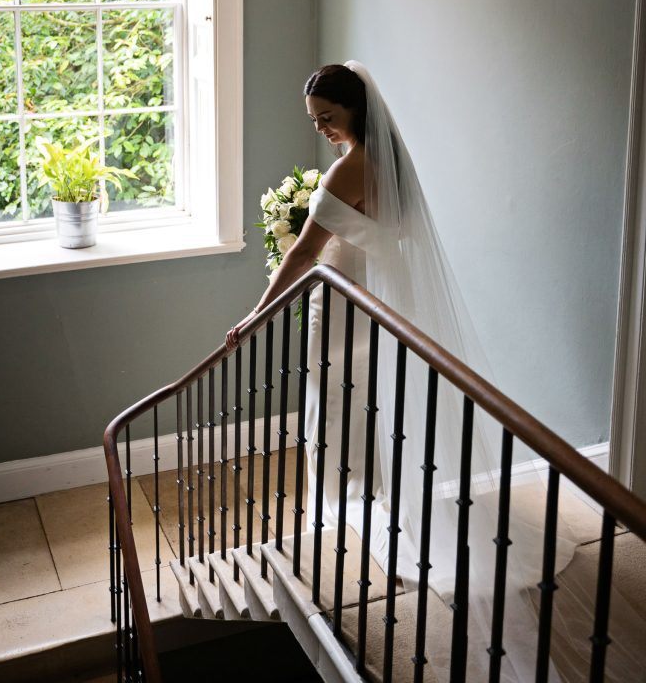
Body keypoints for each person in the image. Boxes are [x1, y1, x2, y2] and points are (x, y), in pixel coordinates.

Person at [228, 62, 639, 682]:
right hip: (371, 305)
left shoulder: (349, 169)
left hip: (343, 309)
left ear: (356, 110)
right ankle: (351, 507)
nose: (322, 130)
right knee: (361, 410)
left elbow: (310, 250)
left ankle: (335, 515)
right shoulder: (389, 161)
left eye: (329, 118)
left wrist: (255, 316)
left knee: (334, 410)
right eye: (313, 120)